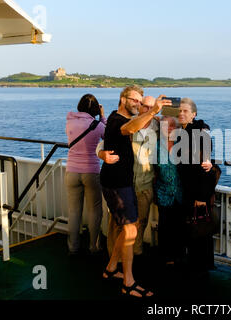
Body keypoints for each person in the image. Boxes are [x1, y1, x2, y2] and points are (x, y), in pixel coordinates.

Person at [99, 85, 171, 297]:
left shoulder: (123, 119)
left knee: (131, 227)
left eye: (142, 102)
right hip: (116, 183)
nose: (138, 105)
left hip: (128, 182)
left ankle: (111, 269)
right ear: (123, 99)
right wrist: (152, 110)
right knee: (130, 230)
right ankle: (128, 282)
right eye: (135, 101)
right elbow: (129, 130)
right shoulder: (118, 120)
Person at [98, 96, 158, 259]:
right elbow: (103, 143)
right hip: (124, 184)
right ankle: (114, 259)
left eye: (151, 107)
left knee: (141, 222)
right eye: (144, 106)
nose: (147, 109)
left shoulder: (158, 127)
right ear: (139, 107)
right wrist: (101, 154)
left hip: (145, 184)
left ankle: (135, 256)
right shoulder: (127, 124)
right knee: (117, 224)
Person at [176, 98, 217, 274]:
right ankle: (195, 265)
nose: (181, 114)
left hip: (199, 191)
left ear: (194, 114)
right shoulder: (181, 131)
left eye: (186, 111)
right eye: (179, 111)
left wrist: (202, 197)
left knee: (200, 231)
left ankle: (202, 268)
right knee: (192, 229)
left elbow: (206, 166)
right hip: (186, 189)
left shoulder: (200, 131)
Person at [65, 94, 106, 255]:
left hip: (71, 171)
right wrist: (103, 117)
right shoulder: (97, 125)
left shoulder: (69, 121)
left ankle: (73, 247)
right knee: (94, 211)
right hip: (91, 172)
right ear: (96, 109)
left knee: (74, 212)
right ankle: (94, 246)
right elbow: (107, 135)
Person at [154, 116, 184, 266]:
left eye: (173, 126)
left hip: (180, 194)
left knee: (179, 227)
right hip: (163, 193)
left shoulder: (182, 145)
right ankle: (165, 258)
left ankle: (179, 255)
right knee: (165, 227)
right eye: (166, 126)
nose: (170, 128)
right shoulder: (156, 146)